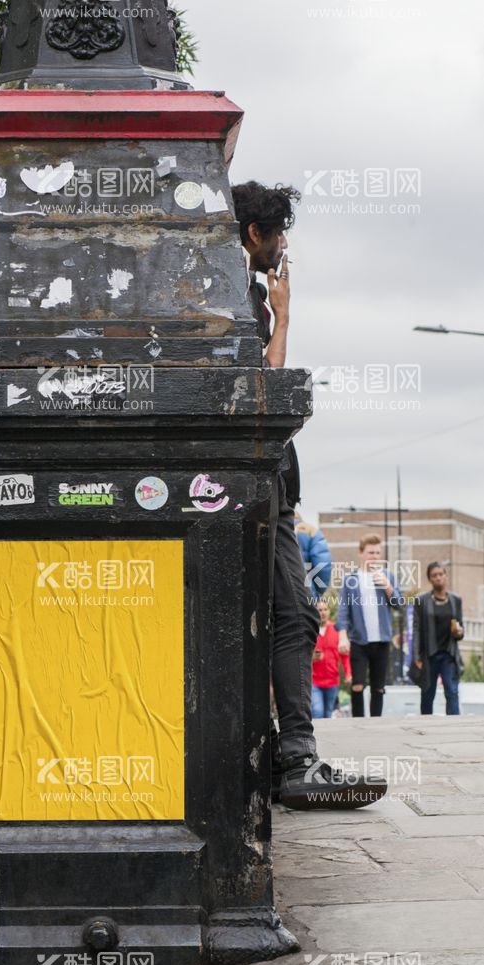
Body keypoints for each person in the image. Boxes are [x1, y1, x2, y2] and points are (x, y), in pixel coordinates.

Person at [233, 180, 386, 809]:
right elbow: (265, 388)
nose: (284, 245)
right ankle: (294, 762)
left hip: (269, 483)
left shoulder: (237, 293)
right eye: (277, 234)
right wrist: (285, 314)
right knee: (292, 614)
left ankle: (285, 754)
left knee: (285, 616)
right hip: (255, 481)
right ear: (253, 235)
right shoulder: (239, 297)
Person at [337, 535, 403, 717]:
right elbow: (343, 610)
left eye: (377, 553)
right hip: (359, 640)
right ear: (361, 553)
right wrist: (342, 636)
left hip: (382, 641)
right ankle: (358, 723)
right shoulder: (351, 579)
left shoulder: (388, 576)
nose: (374, 556)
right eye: (370, 552)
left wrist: (388, 587)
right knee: (357, 685)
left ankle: (376, 724)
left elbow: (400, 603)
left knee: (379, 688)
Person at [413, 562, 465, 715]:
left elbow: (461, 629)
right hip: (429, 655)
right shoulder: (421, 600)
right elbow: (416, 629)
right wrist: (417, 656)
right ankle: (426, 726)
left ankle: (453, 726)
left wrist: (459, 632)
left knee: (452, 691)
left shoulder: (456, 600)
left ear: (446, 576)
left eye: (441, 574)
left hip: (449, 654)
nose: (438, 578)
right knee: (428, 694)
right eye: (434, 576)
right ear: (429, 580)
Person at [312, 598, 350, 718]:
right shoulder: (310, 630)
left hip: (332, 681)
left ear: (329, 611)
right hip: (314, 681)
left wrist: (348, 674)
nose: (322, 612)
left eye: (325, 609)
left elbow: (344, 655)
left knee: (328, 713)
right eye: (319, 610)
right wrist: (312, 658)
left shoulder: (336, 630)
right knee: (317, 711)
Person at [296, 512, 333, 602]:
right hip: (303, 592)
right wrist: (317, 593)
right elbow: (322, 565)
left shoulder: (264, 526)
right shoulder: (310, 531)